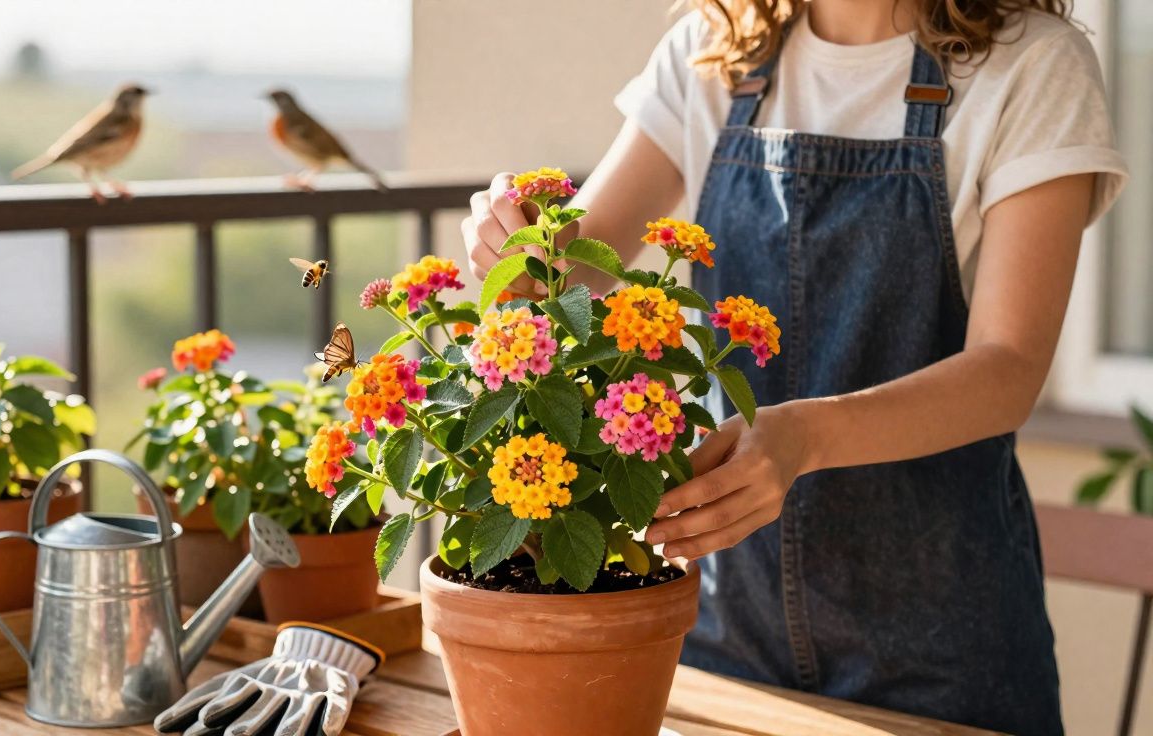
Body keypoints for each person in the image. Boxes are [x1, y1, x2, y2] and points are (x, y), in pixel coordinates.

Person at [461, 1, 1127, 733]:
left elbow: (1009, 370)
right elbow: (573, 269)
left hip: (943, 657)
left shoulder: (1033, 63)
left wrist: (805, 437)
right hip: (722, 636)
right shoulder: (712, 53)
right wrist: (517, 248)